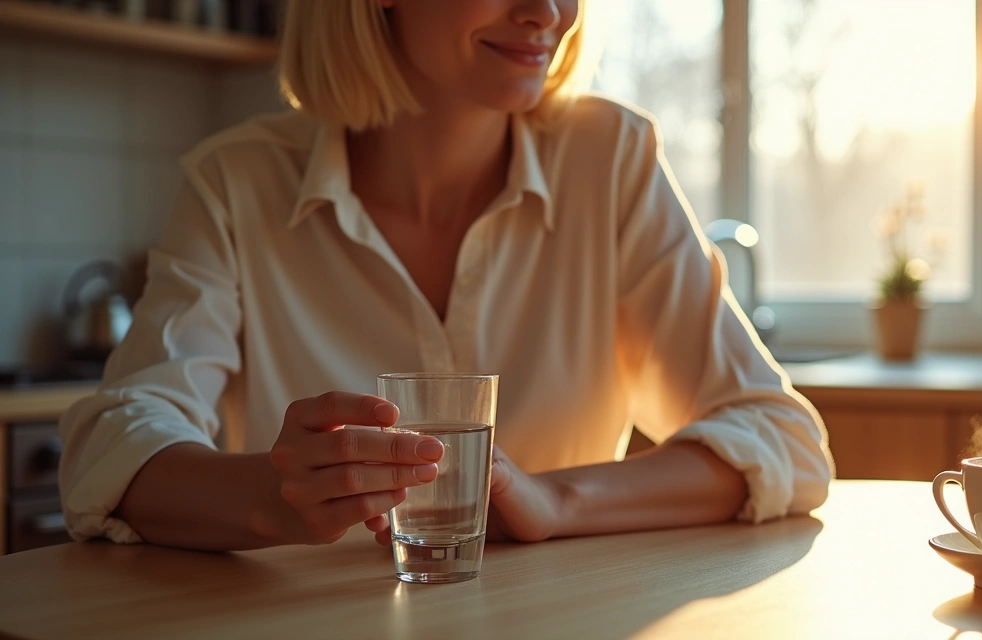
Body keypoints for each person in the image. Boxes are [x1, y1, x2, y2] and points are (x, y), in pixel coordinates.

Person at [58, 0, 833, 551]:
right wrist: (274, 498)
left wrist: (552, 501)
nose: (549, 11)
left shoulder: (611, 159)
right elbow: (111, 446)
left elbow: (782, 437)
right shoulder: (234, 184)